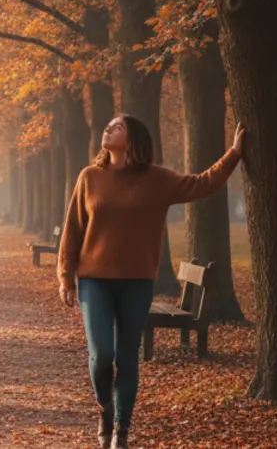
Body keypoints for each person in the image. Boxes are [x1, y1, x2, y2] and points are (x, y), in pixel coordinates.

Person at [57, 115, 247, 449]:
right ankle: (105, 412)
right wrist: (65, 277)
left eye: (116, 126)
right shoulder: (89, 177)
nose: (108, 128)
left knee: (127, 359)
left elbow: (202, 183)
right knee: (102, 355)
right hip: (94, 283)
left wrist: (233, 154)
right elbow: (73, 229)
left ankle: (121, 430)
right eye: (109, 124)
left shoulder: (157, 179)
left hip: (137, 283)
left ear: (133, 141)